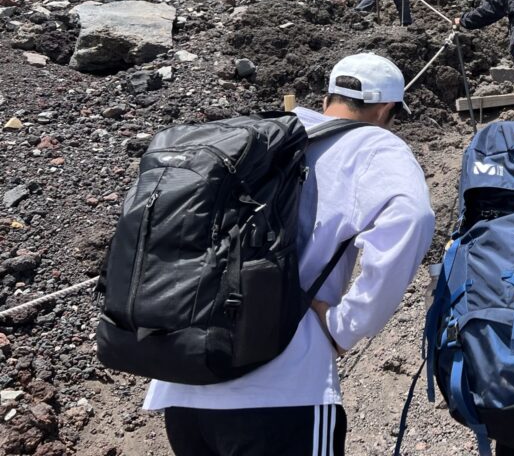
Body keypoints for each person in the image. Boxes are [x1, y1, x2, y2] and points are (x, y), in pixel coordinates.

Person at [143, 52, 435, 455]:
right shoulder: (373, 146)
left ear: (330, 94)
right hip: (281, 391)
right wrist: (345, 325)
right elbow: (413, 216)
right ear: (386, 109)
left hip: (183, 387)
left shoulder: (263, 132)